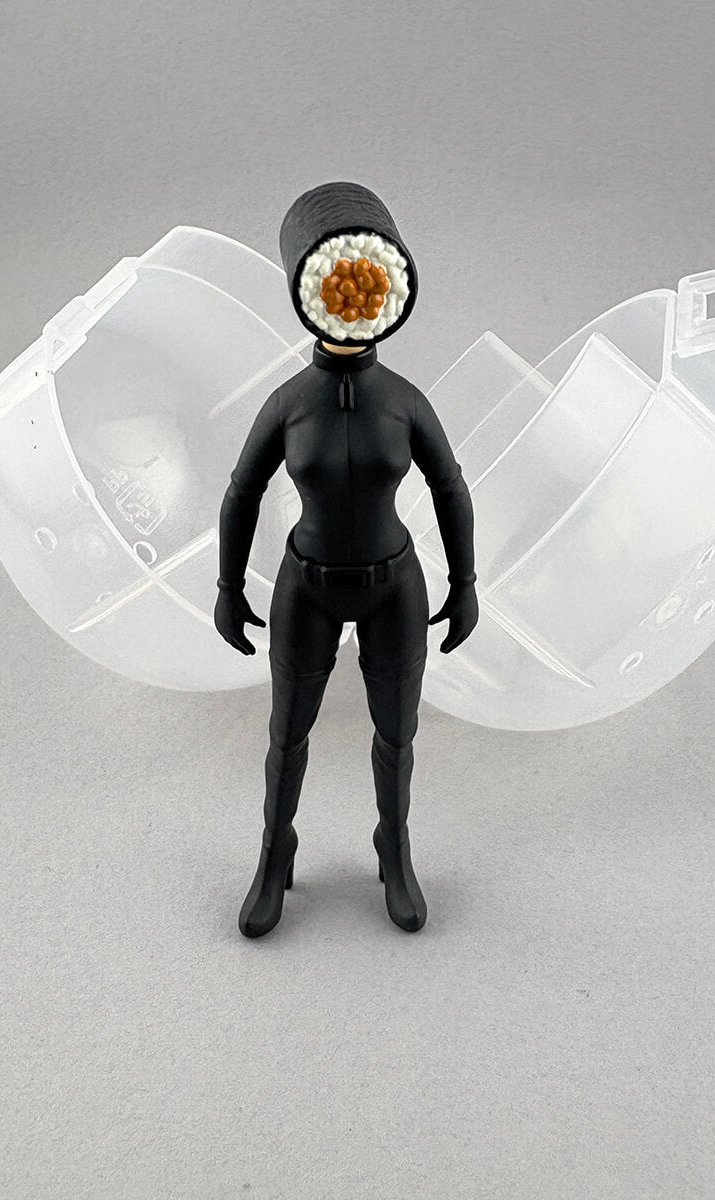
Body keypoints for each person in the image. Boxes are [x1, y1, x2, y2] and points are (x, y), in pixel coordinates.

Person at [214, 182, 477, 937]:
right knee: (286, 733)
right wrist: (229, 586)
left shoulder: (403, 401)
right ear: (309, 291)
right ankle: (275, 851)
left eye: (363, 283)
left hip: (395, 585)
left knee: (397, 734)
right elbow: (241, 492)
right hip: (309, 585)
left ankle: (394, 849)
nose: (352, 299)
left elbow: (451, 488)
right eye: (335, 282)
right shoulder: (290, 403)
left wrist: (465, 582)